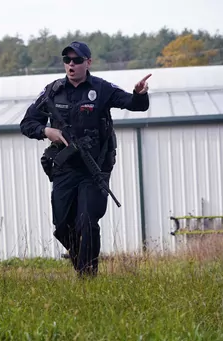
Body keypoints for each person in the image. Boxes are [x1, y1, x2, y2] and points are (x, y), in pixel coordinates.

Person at [20, 41, 151, 276]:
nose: (71, 64)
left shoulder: (101, 89)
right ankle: (83, 264)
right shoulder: (53, 91)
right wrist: (46, 132)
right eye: (67, 60)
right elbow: (27, 123)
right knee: (62, 227)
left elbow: (134, 105)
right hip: (64, 168)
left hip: (94, 169)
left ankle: (87, 276)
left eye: (77, 60)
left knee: (86, 222)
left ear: (88, 62)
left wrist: (140, 94)